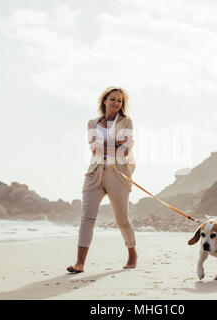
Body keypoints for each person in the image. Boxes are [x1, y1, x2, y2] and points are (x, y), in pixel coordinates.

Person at [67, 86, 137, 273]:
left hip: (119, 173)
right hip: (94, 172)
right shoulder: (92, 123)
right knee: (87, 218)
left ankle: (132, 252)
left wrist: (107, 145)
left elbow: (126, 149)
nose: (116, 103)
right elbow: (94, 148)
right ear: (104, 100)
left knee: (122, 219)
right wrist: (115, 144)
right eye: (112, 99)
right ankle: (80, 263)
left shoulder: (126, 122)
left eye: (119, 100)